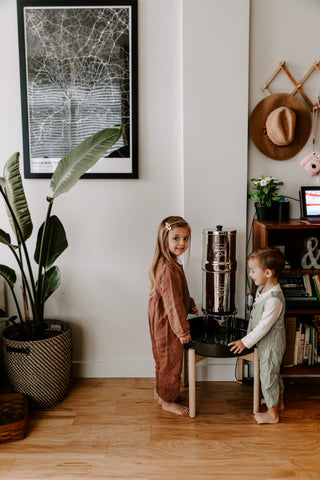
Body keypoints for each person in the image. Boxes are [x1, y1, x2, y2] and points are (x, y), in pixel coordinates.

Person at [228, 247, 286, 424]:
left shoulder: (274, 299)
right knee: (273, 373)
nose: (251, 275)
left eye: (253, 271)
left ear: (268, 272)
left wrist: (245, 342)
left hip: (271, 344)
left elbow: (263, 327)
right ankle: (278, 402)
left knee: (268, 376)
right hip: (264, 343)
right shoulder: (262, 289)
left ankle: (272, 413)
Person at [148, 216, 198, 416]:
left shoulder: (171, 263)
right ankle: (167, 401)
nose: (182, 244)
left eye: (186, 239)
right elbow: (172, 304)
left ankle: (162, 393)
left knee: (163, 357)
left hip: (164, 316)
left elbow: (178, 295)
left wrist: (190, 303)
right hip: (167, 321)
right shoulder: (167, 268)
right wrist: (182, 331)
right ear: (164, 240)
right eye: (176, 238)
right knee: (170, 359)